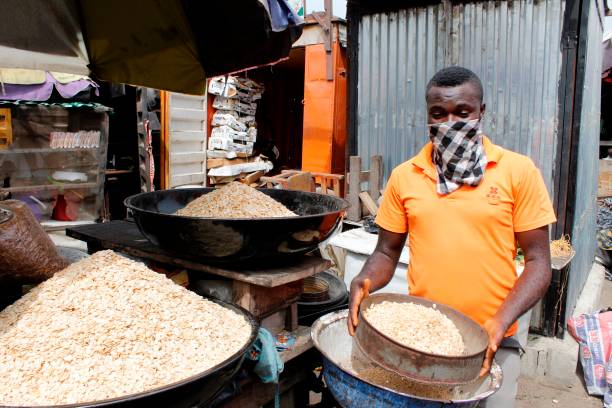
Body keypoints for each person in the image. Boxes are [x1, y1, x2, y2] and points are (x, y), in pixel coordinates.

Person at [347, 66, 556, 407]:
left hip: (497, 342)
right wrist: (364, 279)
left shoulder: (517, 172)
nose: (451, 123)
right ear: (427, 116)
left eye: (462, 112)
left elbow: (538, 263)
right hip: (426, 345)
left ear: (481, 112)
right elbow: (386, 253)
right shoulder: (406, 176)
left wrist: (499, 323)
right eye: (438, 114)